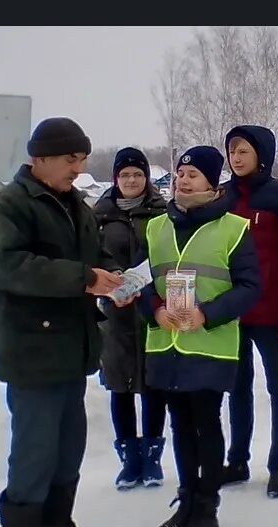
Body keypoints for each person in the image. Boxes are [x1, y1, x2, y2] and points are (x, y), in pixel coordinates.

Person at [0, 117, 125, 527]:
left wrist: (114, 277)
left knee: (67, 452)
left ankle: (60, 525)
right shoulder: (11, 204)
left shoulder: (76, 203)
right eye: (69, 158)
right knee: (35, 455)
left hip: (72, 351)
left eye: (81, 158)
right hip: (33, 355)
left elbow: (95, 255)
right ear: (39, 157)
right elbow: (10, 267)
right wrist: (85, 279)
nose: (78, 168)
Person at [137, 146, 261, 527]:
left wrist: (205, 313)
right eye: (179, 174)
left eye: (192, 175)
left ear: (211, 181)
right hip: (167, 343)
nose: (182, 181)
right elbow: (142, 281)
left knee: (206, 423)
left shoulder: (234, 227)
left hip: (210, 345)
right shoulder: (156, 226)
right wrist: (155, 310)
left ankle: (207, 508)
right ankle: (187, 501)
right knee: (179, 424)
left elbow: (250, 287)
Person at [221, 125, 278, 498]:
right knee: (237, 388)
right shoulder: (223, 196)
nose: (237, 158)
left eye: (243, 151)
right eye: (232, 151)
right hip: (232, 310)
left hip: (271, 312)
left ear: (261, 155)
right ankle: (237, 461)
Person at [94, 147, 169, 490]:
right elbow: (91, 257)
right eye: (125, 175)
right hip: (114, 313)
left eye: (137, 174)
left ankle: (152, 457)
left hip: (151, 309)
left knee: (153, 385)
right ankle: (129, 459)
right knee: (120, 386)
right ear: (115, 179)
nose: (131, 180)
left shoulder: (162, 213)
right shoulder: (99, 215)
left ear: (146, 179)